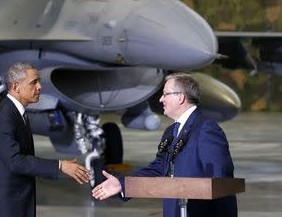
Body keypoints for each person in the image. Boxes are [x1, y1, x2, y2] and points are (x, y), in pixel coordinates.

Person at [92, 73, 237, 217]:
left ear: (180, 98)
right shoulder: (171, 131)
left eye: (165, 94)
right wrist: (122, 185)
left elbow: (220, 181)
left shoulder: (206, 129)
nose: (161, 99)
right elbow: (160, 168)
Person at [0, 62, 90, 217]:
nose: (39, 87)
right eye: (33, 83)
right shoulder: (3, 117)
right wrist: (60, 166)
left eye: (38, 82)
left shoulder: (17, 113)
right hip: (4, 207)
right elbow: (16, 161)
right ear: (16, 87)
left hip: (17, 203)